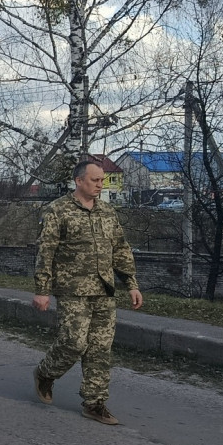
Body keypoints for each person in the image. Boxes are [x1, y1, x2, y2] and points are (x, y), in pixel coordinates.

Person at [32, 159, 143, 426]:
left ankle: (94, 403)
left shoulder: (107, 211)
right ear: (79, 181)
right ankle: (45, 373)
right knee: (74, 342)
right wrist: (42, 290)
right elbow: (46, 252)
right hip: (72, 290)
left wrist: (131, 283)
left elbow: (120, 248)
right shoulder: (57, 210)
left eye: (102, 180)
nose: (100, 185)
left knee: (100, 348)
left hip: (104, 289)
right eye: (95, 180)